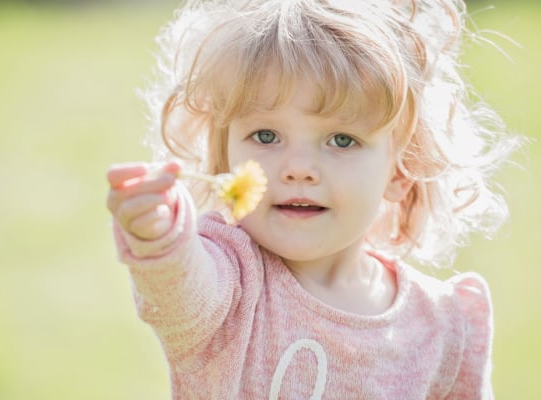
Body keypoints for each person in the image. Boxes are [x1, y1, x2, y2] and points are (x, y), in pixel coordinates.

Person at [106, 0, 521, 398]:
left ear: (399, 170)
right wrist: (160, 236)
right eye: (266, 136)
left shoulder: (444, 327)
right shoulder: (229, 280)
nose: (298, 167)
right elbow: (180, 289)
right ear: (224, 159)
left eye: (342, 140)